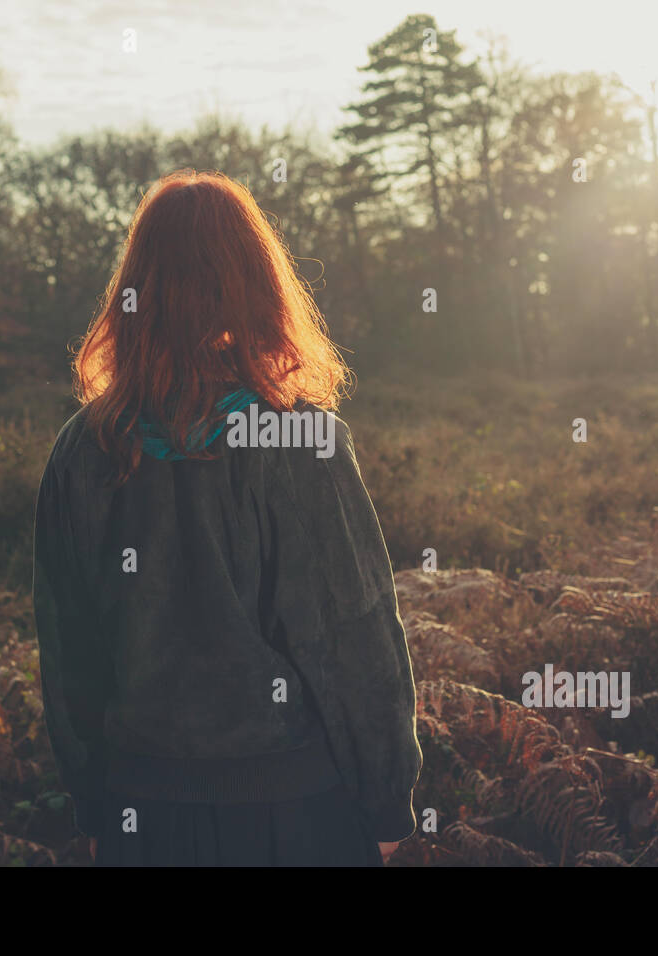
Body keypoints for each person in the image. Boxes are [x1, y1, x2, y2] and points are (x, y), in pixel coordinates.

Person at [32, 169, 422, 867]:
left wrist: (93, 808)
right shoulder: (301, 442)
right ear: (256, 283)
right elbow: (355, 640)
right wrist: (389, 803)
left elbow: (70, 659)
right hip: (294, 815)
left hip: (140, 815)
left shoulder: (81, 450)